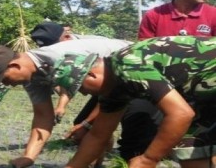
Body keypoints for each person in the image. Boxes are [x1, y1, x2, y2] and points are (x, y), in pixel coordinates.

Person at [0, 37, 131, 168]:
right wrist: (28, 157)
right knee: (89, 135)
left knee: (134, 141)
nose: (8, 85)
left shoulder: (63, 59)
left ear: (15, 65)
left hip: (135, 73)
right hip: (109, 87)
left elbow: (112, 93)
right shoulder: (32, 77)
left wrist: (87, 124)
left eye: (5, 79)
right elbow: (43, 116)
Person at [62, 36, 216, 168]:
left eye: (81, 88)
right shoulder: (114, 90)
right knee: (189, 147)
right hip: (205, 93)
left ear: (91, 74)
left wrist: (148, 159)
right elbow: (98, 136)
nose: (84, 93)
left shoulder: (127, 64)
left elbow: (181, 114)